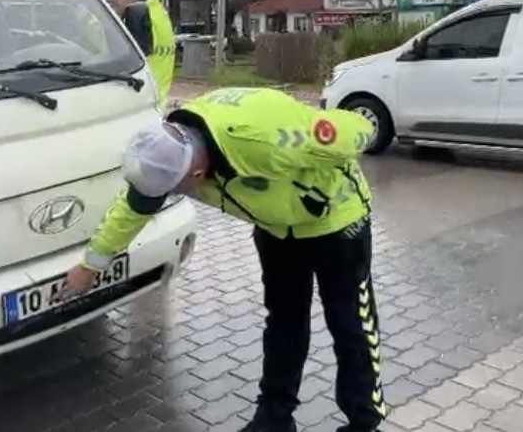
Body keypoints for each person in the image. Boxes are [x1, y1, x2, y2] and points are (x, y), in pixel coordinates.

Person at [61, 87, 387, 432]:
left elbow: (350, 129)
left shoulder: (265, 143)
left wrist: (334, 164)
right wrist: (89, 266)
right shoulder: (167, 151)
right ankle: (273, 418)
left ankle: (364, 421)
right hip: (277, 230)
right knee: (283, 322)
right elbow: (130, 211)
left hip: (338, 224)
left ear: (196, 177)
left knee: (349, 323)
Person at [107, 0, 176, 108]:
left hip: (140, 104)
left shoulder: (138, 15)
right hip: (157, 102)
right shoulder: (159, 14)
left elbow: (116, 58)